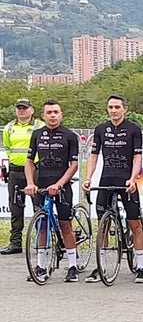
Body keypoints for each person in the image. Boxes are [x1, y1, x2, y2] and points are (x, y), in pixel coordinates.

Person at [82, 94, 143, 283]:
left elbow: (137, 157)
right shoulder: (101, 129)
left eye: (117, 107)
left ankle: (141, 267)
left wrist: (133, 179)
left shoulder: (134, 129)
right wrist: (88, 178)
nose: (113, 110)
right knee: (103, 225)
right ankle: (100, 266)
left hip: (127, 180)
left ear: (125, 109)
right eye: (110, 107)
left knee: (135, 224)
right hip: (106, 179)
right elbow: (94, 155)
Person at [24, 100, 79, 282]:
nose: (53, 115)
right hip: (41, 184)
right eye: (49, 112)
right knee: (42, 225)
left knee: (65, 225)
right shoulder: (37, 134)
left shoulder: (70, 136)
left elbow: (74, 165)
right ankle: (40, 266)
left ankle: (72, 266)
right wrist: (30, 183)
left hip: (62, 186)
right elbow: (29, 162)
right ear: (43, 116)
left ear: (61, 115)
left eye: (56, 112)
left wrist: (60, 184)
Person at [1, 99, 44, 255]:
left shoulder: (40, 126)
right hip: (15, 171)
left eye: (25, 108)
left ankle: (41, 242)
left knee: (38, 206)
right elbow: (8, 147)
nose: (21, 111)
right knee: (15, 207)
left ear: (32, 110)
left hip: (35, 170)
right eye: (19, 108)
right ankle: (15, 242)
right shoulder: (9, 128)